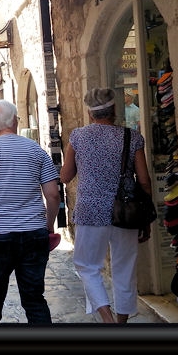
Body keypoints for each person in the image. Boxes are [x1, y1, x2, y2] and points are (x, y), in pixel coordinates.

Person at [59, 87, 153, 323]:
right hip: (127, 211)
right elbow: (144, 180)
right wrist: (147, 218)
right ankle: (120, 323)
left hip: (90, 211)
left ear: (91, 113)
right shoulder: (133, 138)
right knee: (125, 269)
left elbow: (65, 176)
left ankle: (107, 320)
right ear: (114, 111)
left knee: (87, 266)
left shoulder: (78, 137)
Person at [0, 99, 60, 324]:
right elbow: (53, 195)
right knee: (34, 297)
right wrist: (48, 225)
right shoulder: (36, 151)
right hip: (33, 233)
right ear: (15, 121)